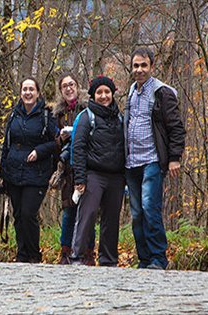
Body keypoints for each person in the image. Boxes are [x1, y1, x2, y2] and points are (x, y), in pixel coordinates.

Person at [125, 47, 186, 270]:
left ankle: (158, 258)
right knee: (136, 213)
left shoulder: (162, 92)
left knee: (150, 207)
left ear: (151, 66)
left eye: (143, 65)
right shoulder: (131, 92)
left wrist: (174, 157)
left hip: (152, 159)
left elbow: (176, 127)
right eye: (136, 66)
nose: (139, 70)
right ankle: (144, 259)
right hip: (131, 162)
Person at [0, 77, 58, 263]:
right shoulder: (14, 115)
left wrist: (39, 151)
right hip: (14, 171)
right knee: (17, 215)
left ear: (38, 93)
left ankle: (34, 254)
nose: (28, 92)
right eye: (24, 89)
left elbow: (55, 142)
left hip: (37, 172)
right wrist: (3, 174)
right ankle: (22, 254)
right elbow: (6, 145)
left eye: (31, 89)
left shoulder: (46, 115)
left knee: (28, 213)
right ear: (20, 93)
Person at [70, 76, 125, 266]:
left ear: (112, 93)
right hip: (93, 174)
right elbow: (78, 148)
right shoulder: (87, 117)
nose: (103, 96)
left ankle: (108, 259)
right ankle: (77, 256)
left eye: (107, 92)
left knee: (111, 218)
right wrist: (80, 178)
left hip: (116, 176)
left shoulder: (120, 117)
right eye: (99, 93)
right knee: (88, 214)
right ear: (93, 95)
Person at [52, 74, 95, 265]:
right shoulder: (57, 114)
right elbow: (51, 141)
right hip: (67, 169)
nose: (69, 88)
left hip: (87, 165)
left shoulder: (87, 109)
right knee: (68, 211)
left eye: (72, 84)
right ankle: (65, 252)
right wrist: (60, 138)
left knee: (88, 211)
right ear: (61, 91)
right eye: (64, 86)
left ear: (78, 87)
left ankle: (87, 252)